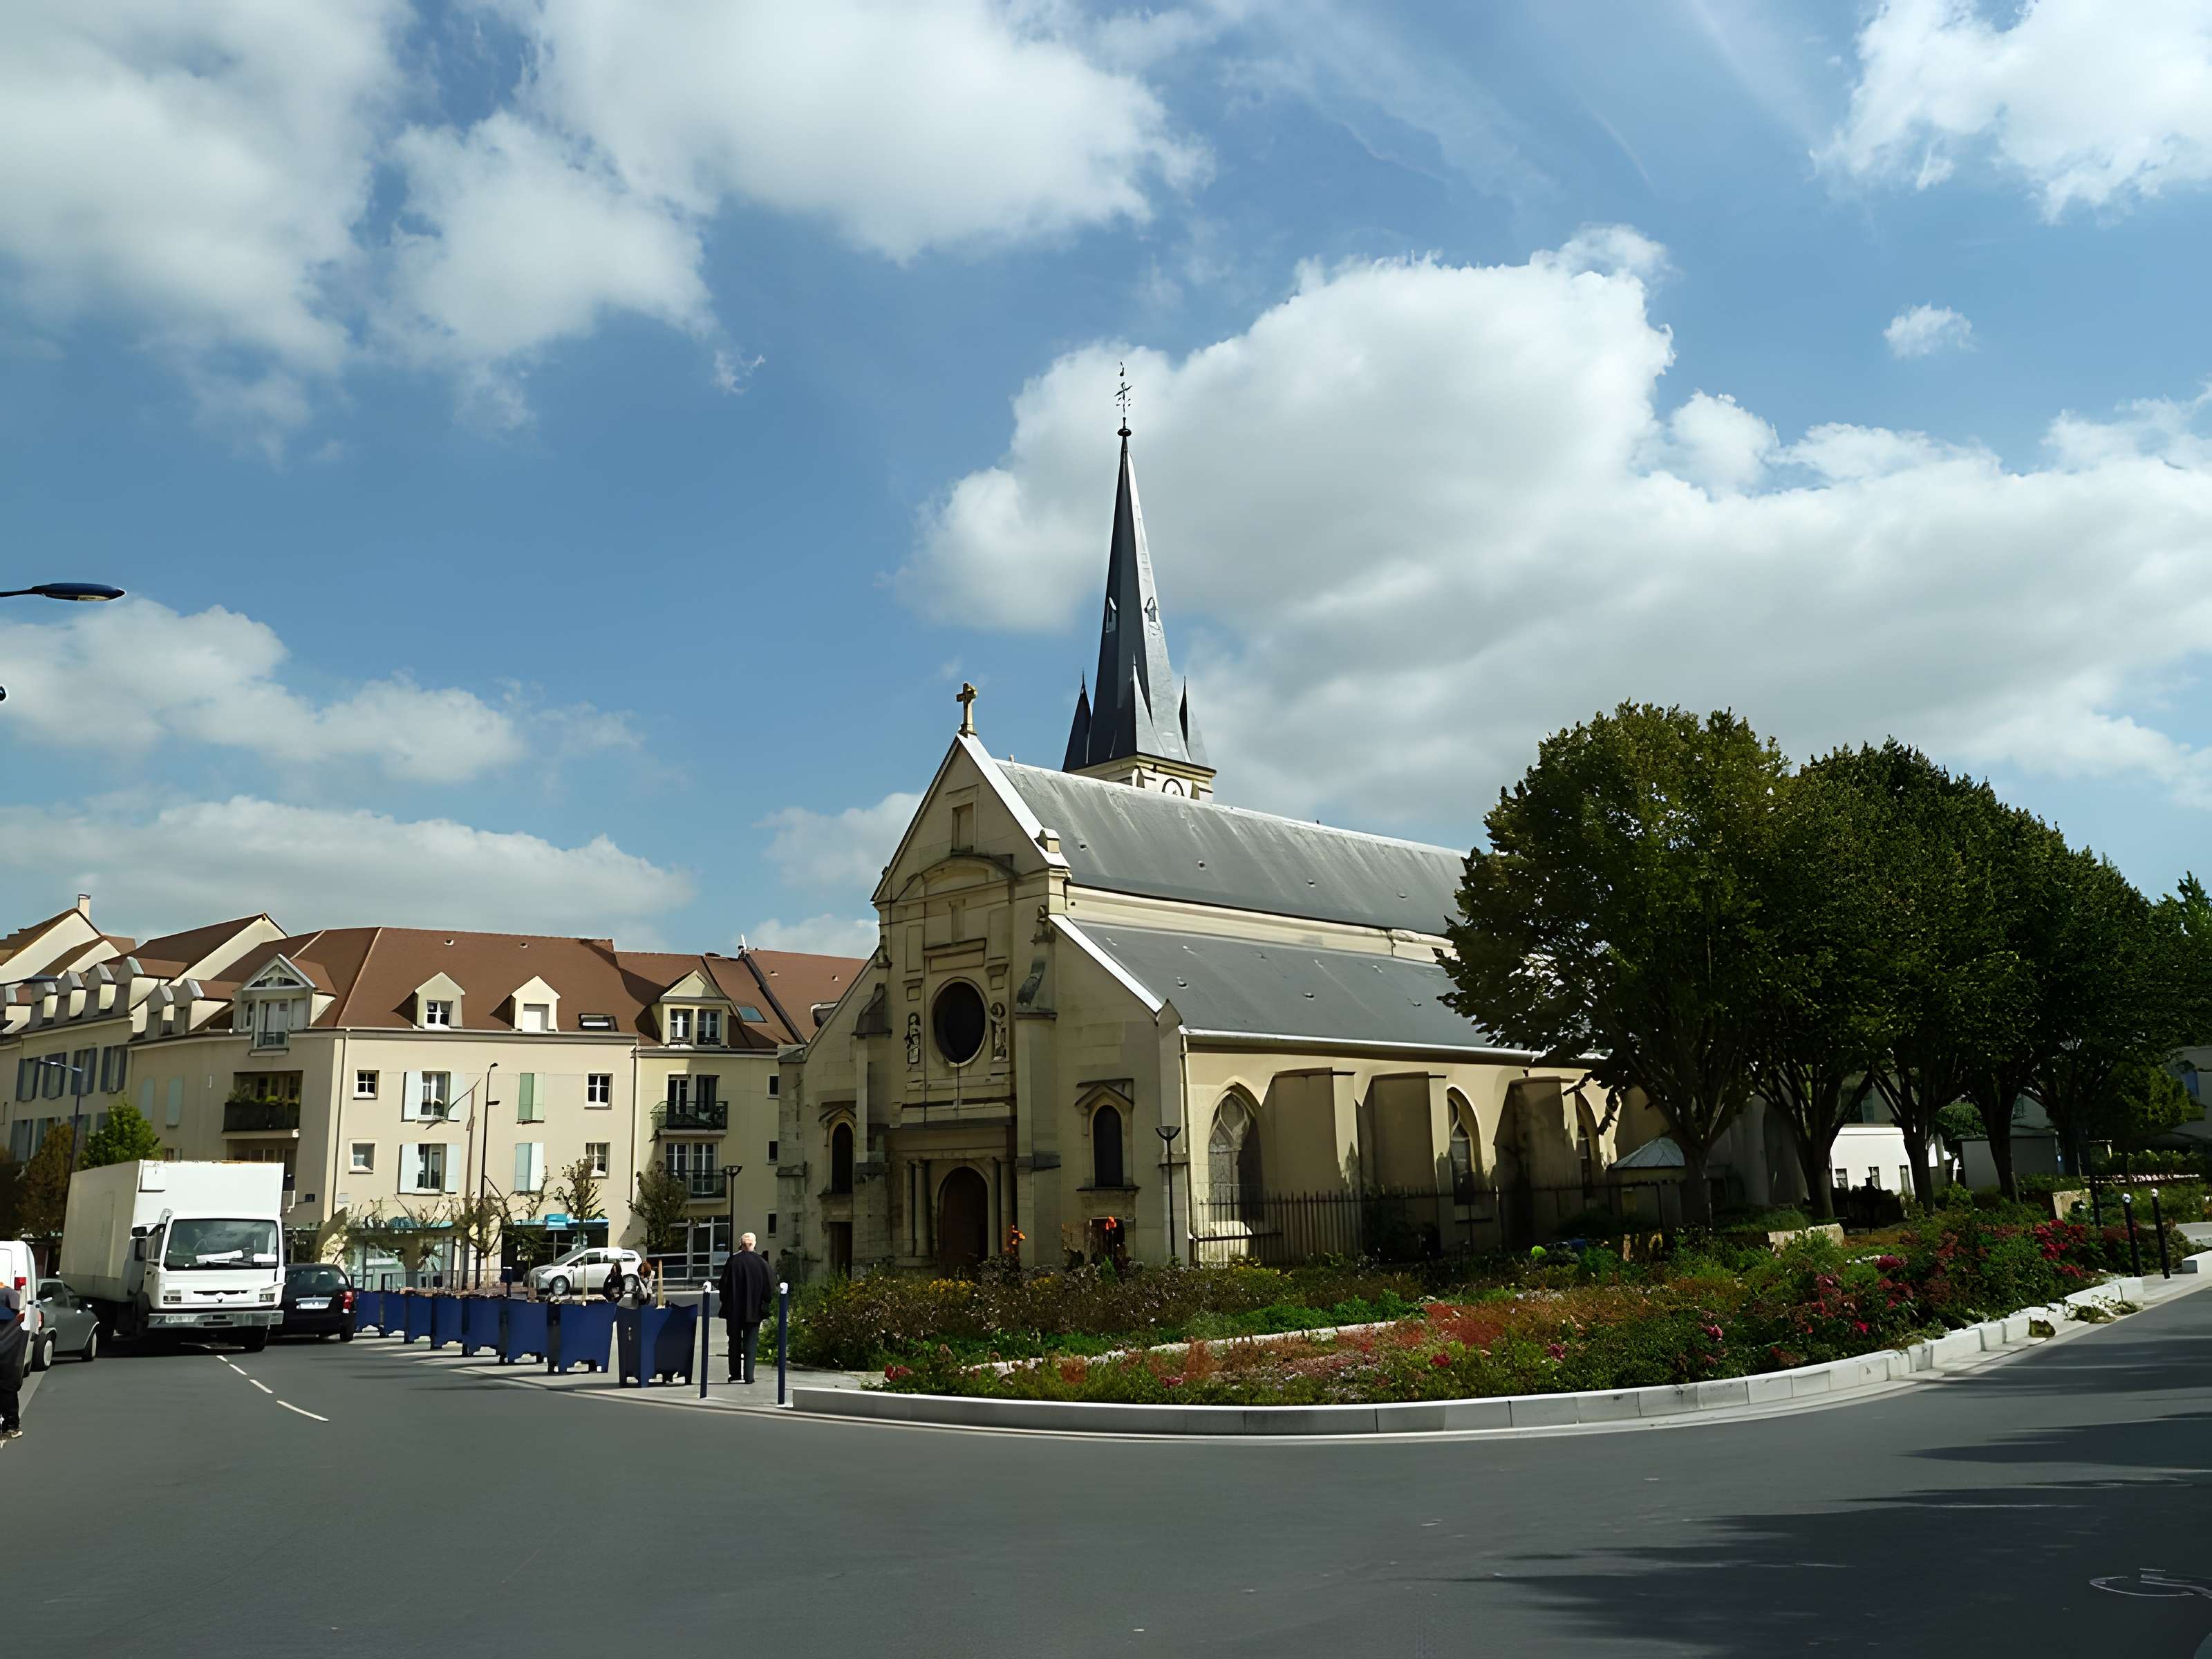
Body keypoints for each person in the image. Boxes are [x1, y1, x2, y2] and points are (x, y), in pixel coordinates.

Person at [716, 1232, 774, 1385]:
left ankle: (735, 1374)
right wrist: (765, 1303)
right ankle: (749, 1376)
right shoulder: (762, 1263)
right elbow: (769, 1288)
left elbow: (723, 1286)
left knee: (734, 1343)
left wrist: (726, 1303)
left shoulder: (733, 1261)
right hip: (754, 1310)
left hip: (734, 1310)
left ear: (740, 1245)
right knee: (751, 1344)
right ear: (754, 1244)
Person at [0, 1279, 25, 1438]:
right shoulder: (10, 1293)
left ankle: (10, 1424)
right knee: (8, 1388)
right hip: (7, 1354)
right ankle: (11, 1426)